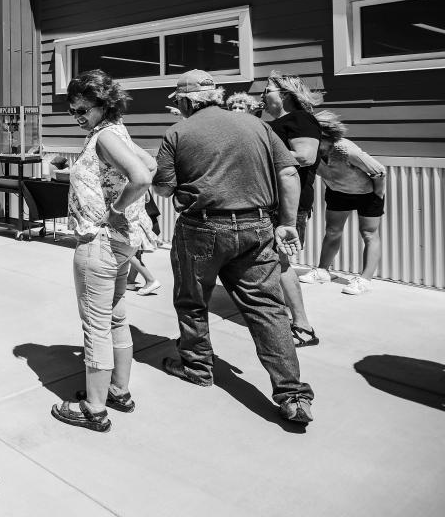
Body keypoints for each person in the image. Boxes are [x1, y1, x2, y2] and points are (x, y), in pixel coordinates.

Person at [153, 69, 314, 425]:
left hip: (202, 227)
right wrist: (287, 223)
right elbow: (288, 173)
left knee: (193, 299)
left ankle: (197, 367)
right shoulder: (257, 125)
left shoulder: (176, 133)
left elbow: (163, 189)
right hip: (259, 224)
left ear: (183, 101)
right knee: (268, 308)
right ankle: (293, 394)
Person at [51, 70, 156, 432]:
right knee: (115, 317)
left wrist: (114, 209)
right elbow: (151, 165)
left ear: (102, 104)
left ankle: (94, 408)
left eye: (83, 109)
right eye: (73, 111)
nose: (77, 116)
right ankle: (118, 390)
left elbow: (142, 177)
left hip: (99, 241)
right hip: (121, 243)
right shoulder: (115, 132)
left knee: (95, 325)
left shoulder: (105, 137)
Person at [261, 71, 321, 348]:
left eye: (267, 89)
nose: (262, 94)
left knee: (282, 264)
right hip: (270, 202)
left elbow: (306, 156)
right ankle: (281, 317)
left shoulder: (300, 119)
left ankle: (302, 325)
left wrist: (259, 156)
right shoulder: (277, 123)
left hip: (288, 205)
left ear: (284, 94)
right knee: (274, 265)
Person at [301, 111, 386, 295]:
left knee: (369, 234)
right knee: (332, 231)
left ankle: (365, 280)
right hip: (338, 192)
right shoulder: (310, 150)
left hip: (367, 193)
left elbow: (379, 172)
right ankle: (323, 271)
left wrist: (378, 194)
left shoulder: (346, 150)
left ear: (324, 134)